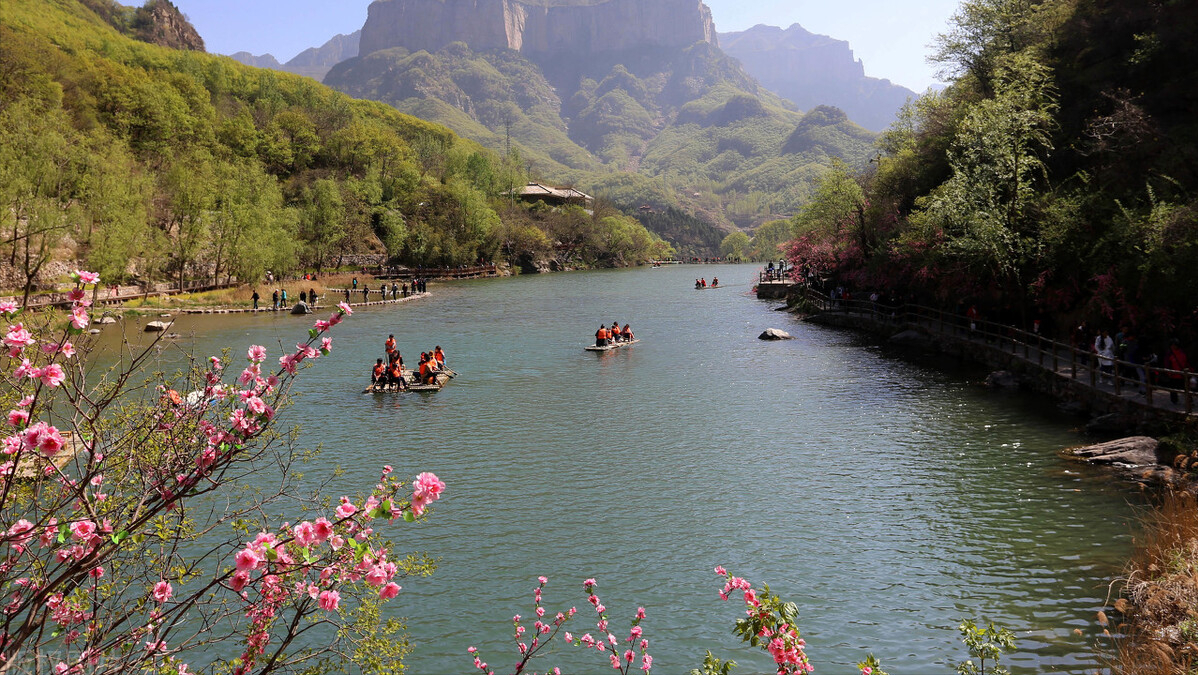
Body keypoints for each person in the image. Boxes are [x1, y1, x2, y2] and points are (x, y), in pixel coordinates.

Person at [1164, 340, 1190, 404]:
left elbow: (1186, 362)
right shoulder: (1169, 354)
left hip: (1182, 374)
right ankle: (1174, 401)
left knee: (1186, 388)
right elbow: (1167, 364)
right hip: (1173, 375)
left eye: (1174, 345)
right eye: (1172, 345)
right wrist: (1169, 372)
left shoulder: (1182, 353)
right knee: (1173, 389)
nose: (1173, 346)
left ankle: (1189, 401)